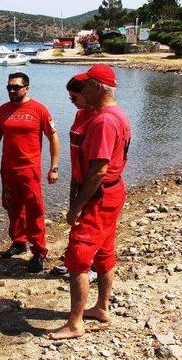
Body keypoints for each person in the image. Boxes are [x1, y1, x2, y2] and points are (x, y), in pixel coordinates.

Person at [49, 64, 131, 340]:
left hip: (100, 196)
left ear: (97, 87)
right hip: (111, 193)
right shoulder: (113, 115)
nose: (81, 91)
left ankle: (75, 323)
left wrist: (76, 206)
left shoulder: (104, 121)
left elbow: (98, 170)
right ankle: (102, 307)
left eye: (85, 86)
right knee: (105, 251)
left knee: (78, 259)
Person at [0, 72, 61, 273]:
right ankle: (19, 242)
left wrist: (54, 167)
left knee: (34, 211)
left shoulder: (39, 109)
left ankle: (39, 252)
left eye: (16, 87)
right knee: (12, 208)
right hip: (8, 169)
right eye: (9, 87)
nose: (12, 90)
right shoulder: (3, 110)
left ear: (26, 88)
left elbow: (53, 138)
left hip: (30, 170)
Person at [49, 77, 98, 284]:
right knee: (76, 222)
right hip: (77, 178)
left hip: (91, 182)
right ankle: (72, 259)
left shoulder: (100, 119)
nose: (72, 102)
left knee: (91, 226)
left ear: (88, 93)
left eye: (74, 98)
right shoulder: (80, 115)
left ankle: (92, 266)